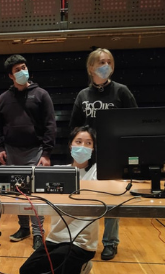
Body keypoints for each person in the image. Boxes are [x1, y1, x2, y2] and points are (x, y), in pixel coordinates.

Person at [69, 48, 138, 260]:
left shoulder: (121, 91)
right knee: (84, 199)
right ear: (91, 67)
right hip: (88, 156)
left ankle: (110, 242)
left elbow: (135, 122)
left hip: (113, 155)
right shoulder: (83, 95)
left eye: (109, 61)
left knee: (111, 201)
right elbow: (75, 127)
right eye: (100, 62)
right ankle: (80, 239)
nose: (105, 65)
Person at [19, 126, 98, 274]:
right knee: (27, 273)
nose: (82, 146)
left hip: (81, 243)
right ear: (70, 145)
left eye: (88, 143)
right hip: (55, 239)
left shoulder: (99, 173)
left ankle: (77, 269)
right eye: (78, 141)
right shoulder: (58, 172)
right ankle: (71, 271)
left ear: (93, 148)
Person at [0, 54, 57, 250]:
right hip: (12, 152)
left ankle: (38, 233)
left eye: (23, 67)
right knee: (18, 194)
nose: (22, 72)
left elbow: (50, 125)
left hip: (36, 152)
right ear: (10, 76)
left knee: (35, 195)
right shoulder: (3, 98)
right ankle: (23, 228)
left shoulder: (41, 95)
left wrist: (46, 153)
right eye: (17, 70)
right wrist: (0, 148)